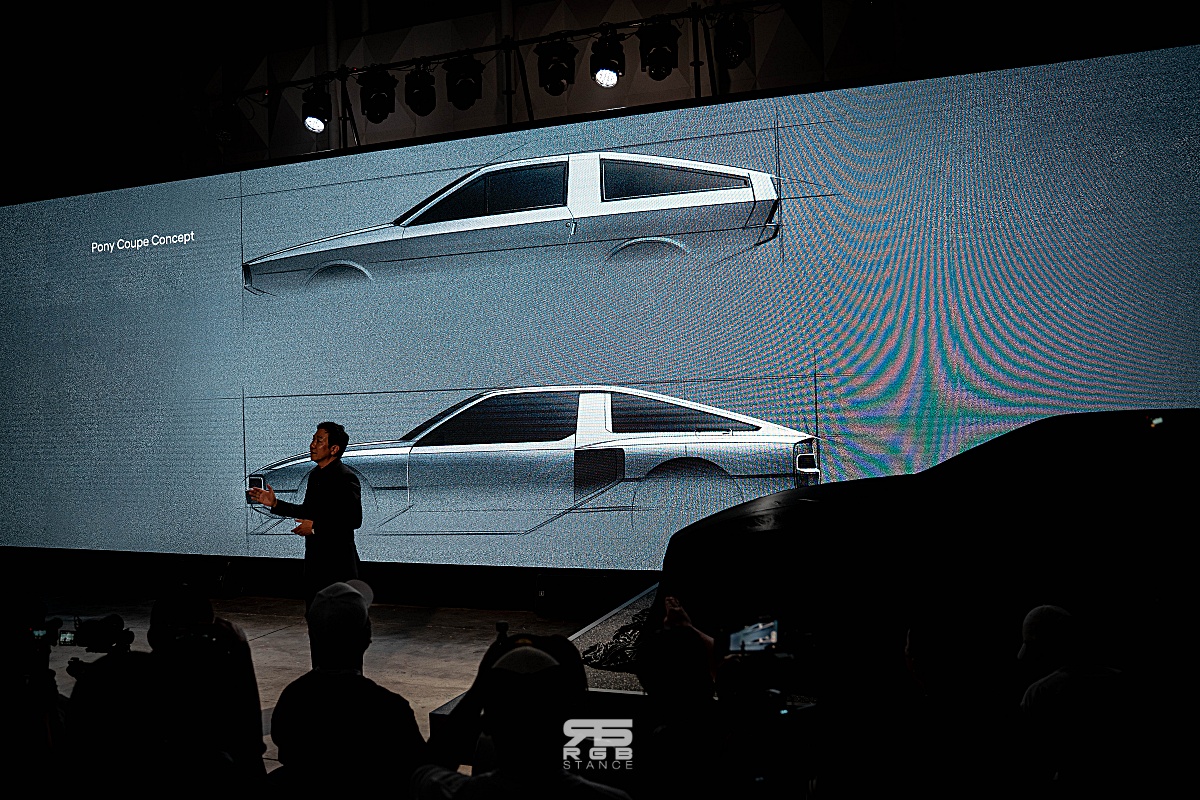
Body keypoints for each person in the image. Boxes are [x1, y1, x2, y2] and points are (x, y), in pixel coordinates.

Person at [269, 580, 427, 794]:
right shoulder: (389, 709)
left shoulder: (293, 699)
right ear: (367, 635)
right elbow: (421, 772)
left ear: (312, 634)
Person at [248, 421, 362, 606]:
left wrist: (316, 527)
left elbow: (353, 519)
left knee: (338, 616)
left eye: (319, 441)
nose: (312, 445)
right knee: (314, 613)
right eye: (313, 440)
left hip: (338, 564)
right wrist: (275, 504)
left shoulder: (345, 477)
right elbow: (308, 511)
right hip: (315, 561)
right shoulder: (315, 475)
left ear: (334, 449)